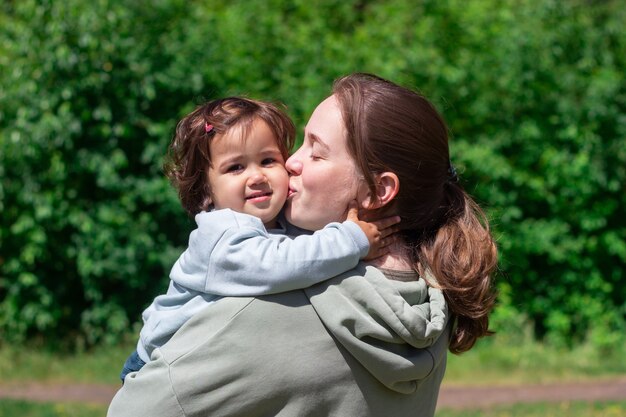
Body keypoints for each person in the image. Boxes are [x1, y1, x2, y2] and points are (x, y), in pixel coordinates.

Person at [107, 73, 497, 417]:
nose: (289, 162)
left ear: (380, 190)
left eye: (316, 150)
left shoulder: (257, 315)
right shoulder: (431, 309)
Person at [119, 96, 400, 382]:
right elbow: (278, 264)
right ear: (206, 190)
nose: (256, 176)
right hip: (157, 366)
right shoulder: (221, 234)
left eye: (268, 160)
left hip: (210, 364)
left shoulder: (279, 222)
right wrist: (350, 240)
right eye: (235, 168)